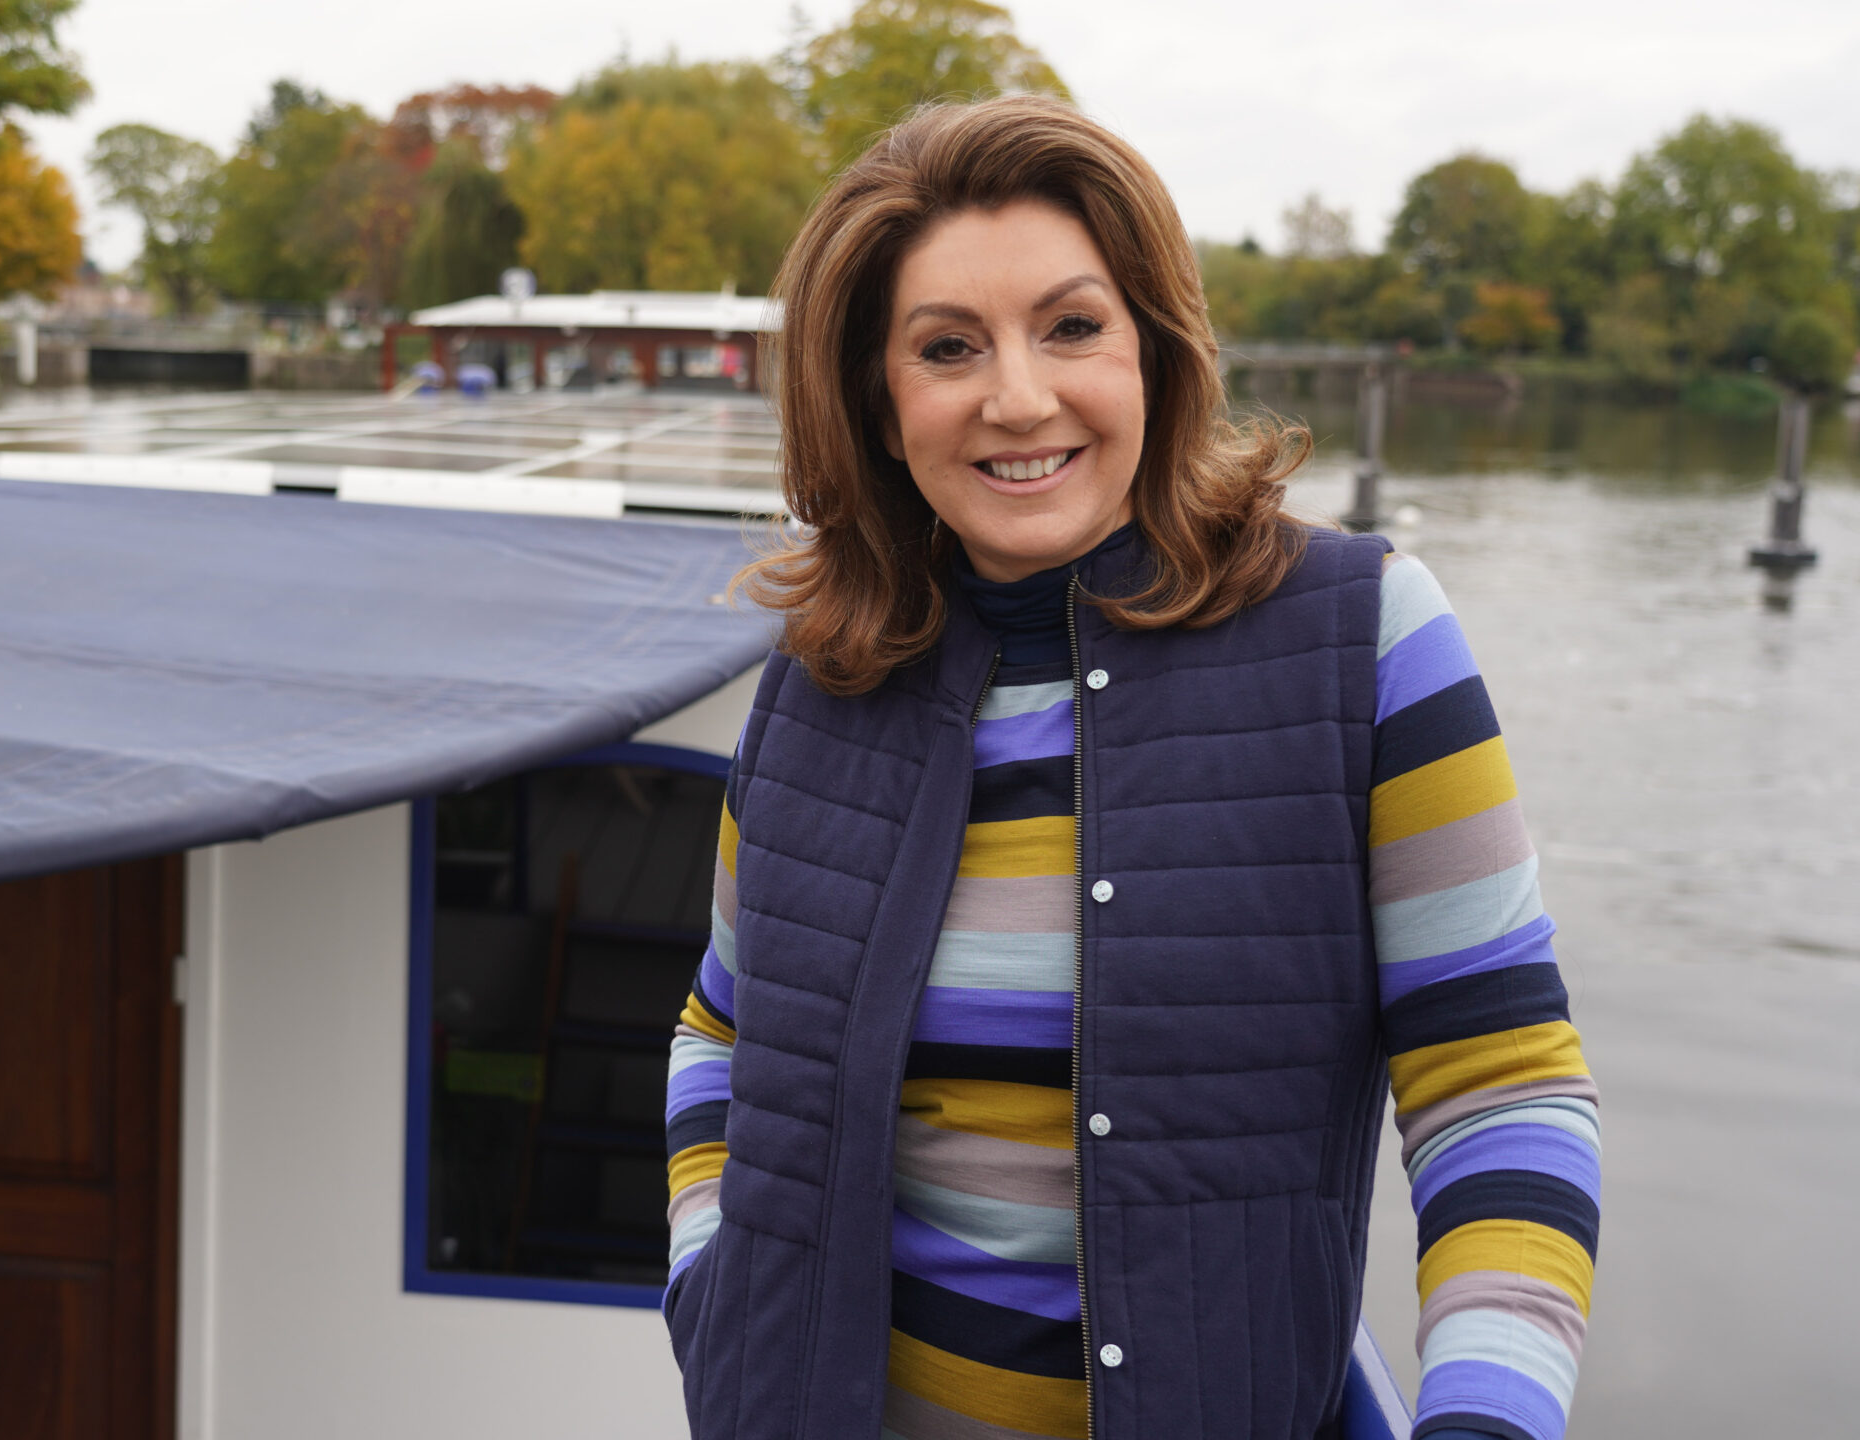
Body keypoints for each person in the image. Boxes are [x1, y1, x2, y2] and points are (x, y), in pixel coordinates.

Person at [662, 95, 1597, 1440]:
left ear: (1156, 345)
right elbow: (722, 1026)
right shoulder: (819, 677)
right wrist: (710, 1281)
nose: (1017, 397)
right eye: (947, 346)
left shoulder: (1366, 640)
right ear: (879, 398)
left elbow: (1499, 1088)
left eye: (1072, 327)